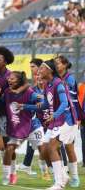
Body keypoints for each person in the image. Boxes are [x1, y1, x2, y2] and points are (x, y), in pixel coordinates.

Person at [37, 59, 76, 190]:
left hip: (66, 120)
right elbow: (45, 105)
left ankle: (59, 183)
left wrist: (54, 115)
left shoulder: (58, 83)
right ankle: (63, 176)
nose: (39, 70)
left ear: (50, 70)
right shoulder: (47, 85)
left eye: (42, 68)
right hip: (56, 121)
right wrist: (24, 106)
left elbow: (65, 103)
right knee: (43, 148)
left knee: (52, 148)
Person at [1, 71, 40, 185]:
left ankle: (60, 173)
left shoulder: (29, 92)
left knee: (44, 151)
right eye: (9, 78)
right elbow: (1, 103)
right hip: (12, 126)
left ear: (19, 81)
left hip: (26, 125)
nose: (9, 80)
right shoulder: (7, 92)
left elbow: (42, 102)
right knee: (9, 150)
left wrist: (26, 106)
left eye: (12, 79)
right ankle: (8, 175)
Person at [54, 55, 81, 187]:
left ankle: (74, 176)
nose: (56, 65)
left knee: (69, 147)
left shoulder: (69, 79)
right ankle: (62, 175)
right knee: (56, 146)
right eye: (55, 63)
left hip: (70, 118)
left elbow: (73, 101)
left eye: (58, 63)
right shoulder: (54, 78)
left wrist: (78, 118)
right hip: (58, 118)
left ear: (65, 65)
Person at [0, 46, 15, 182]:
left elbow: (14, 94)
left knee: (7, 145)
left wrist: (2, 94)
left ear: (5, 62)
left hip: (6, 114)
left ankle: (12, 171)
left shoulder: (10, 76)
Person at [17, 58, 43, 175]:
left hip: (48, 118)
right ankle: (27, 164)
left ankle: (59, 167)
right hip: (37, 117)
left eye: (33, 66)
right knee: (33, 139)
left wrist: (24, 106)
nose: (31, 69)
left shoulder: (48, 83)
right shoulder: (33, 86)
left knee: (50, 144)